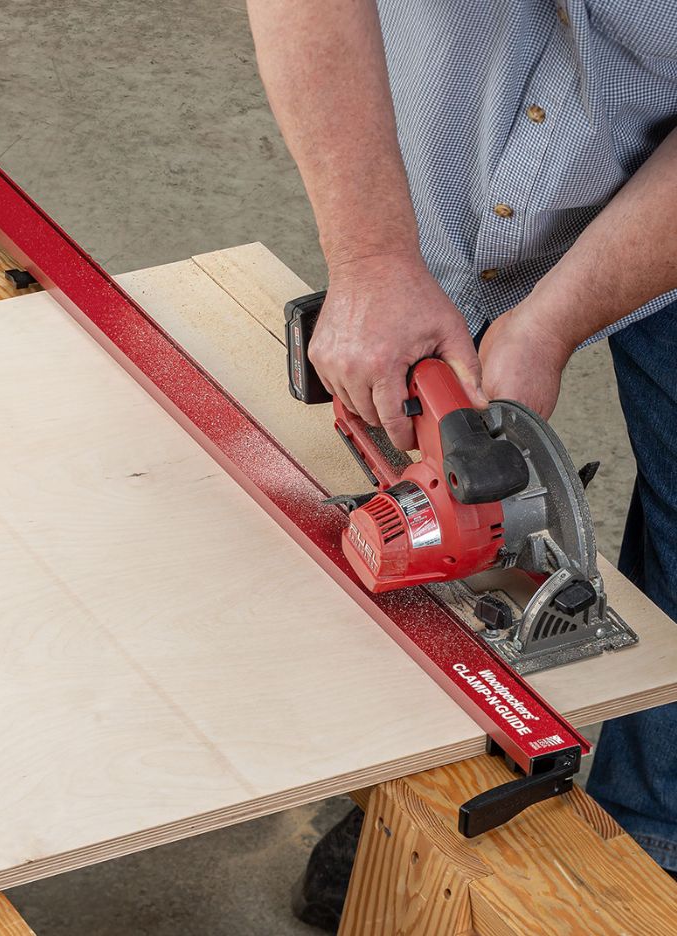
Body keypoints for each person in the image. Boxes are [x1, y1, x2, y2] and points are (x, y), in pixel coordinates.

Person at [246, 1, 677, 929]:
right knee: (410, 395)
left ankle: (650, 843)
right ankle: (422, 778)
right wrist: (372, 258)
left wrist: (549, 325)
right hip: (452, 148)